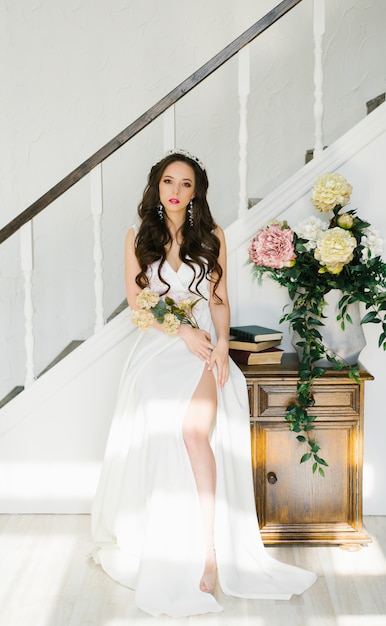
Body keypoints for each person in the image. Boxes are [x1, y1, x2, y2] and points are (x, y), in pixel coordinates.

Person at [91, 149, 317, 617]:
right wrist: (183, 332)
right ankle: (166, 537)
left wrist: (218, 344)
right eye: (169, 182)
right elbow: (138, 304)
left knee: (194, 433)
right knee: (162, 429)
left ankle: (210, 549)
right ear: (157, 187)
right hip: (158, 349)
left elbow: (218, 300)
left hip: (202, 349)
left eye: (186, 184)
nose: (175, 191)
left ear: (197, 192)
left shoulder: (212, 236)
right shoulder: (138, 237)